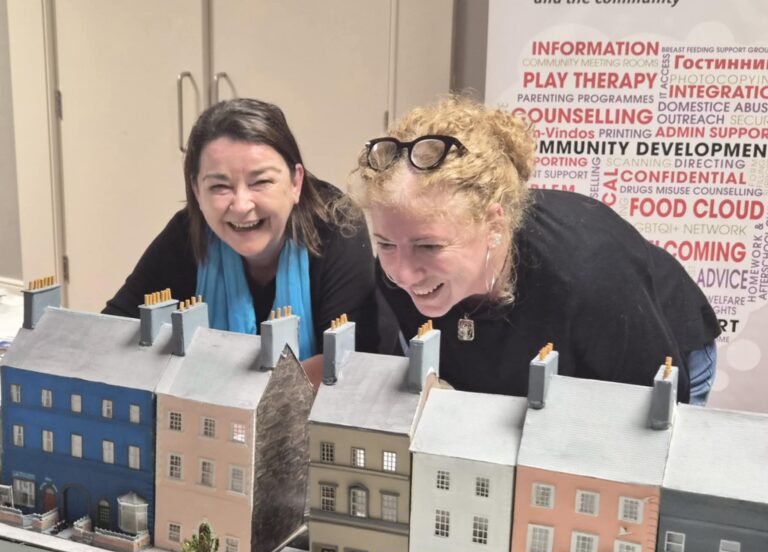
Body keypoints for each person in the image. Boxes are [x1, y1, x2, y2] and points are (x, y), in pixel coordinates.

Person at [345, 95, 720, 404]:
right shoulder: (396, 271)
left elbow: (658, 414)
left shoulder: (587, 274)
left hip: (649, 350)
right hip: (521, 365)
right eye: (386, 243)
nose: (403, 273)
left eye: (429, 245)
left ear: (495, 225)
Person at [104, 99, 398, 385]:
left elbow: (345, 363)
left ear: (296, 182)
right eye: (220, 186)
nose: (241, 205)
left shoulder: (337, 225)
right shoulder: (187, 232)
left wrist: (227, 392)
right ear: (196, 190)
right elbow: (113, 329)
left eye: (261, 182)